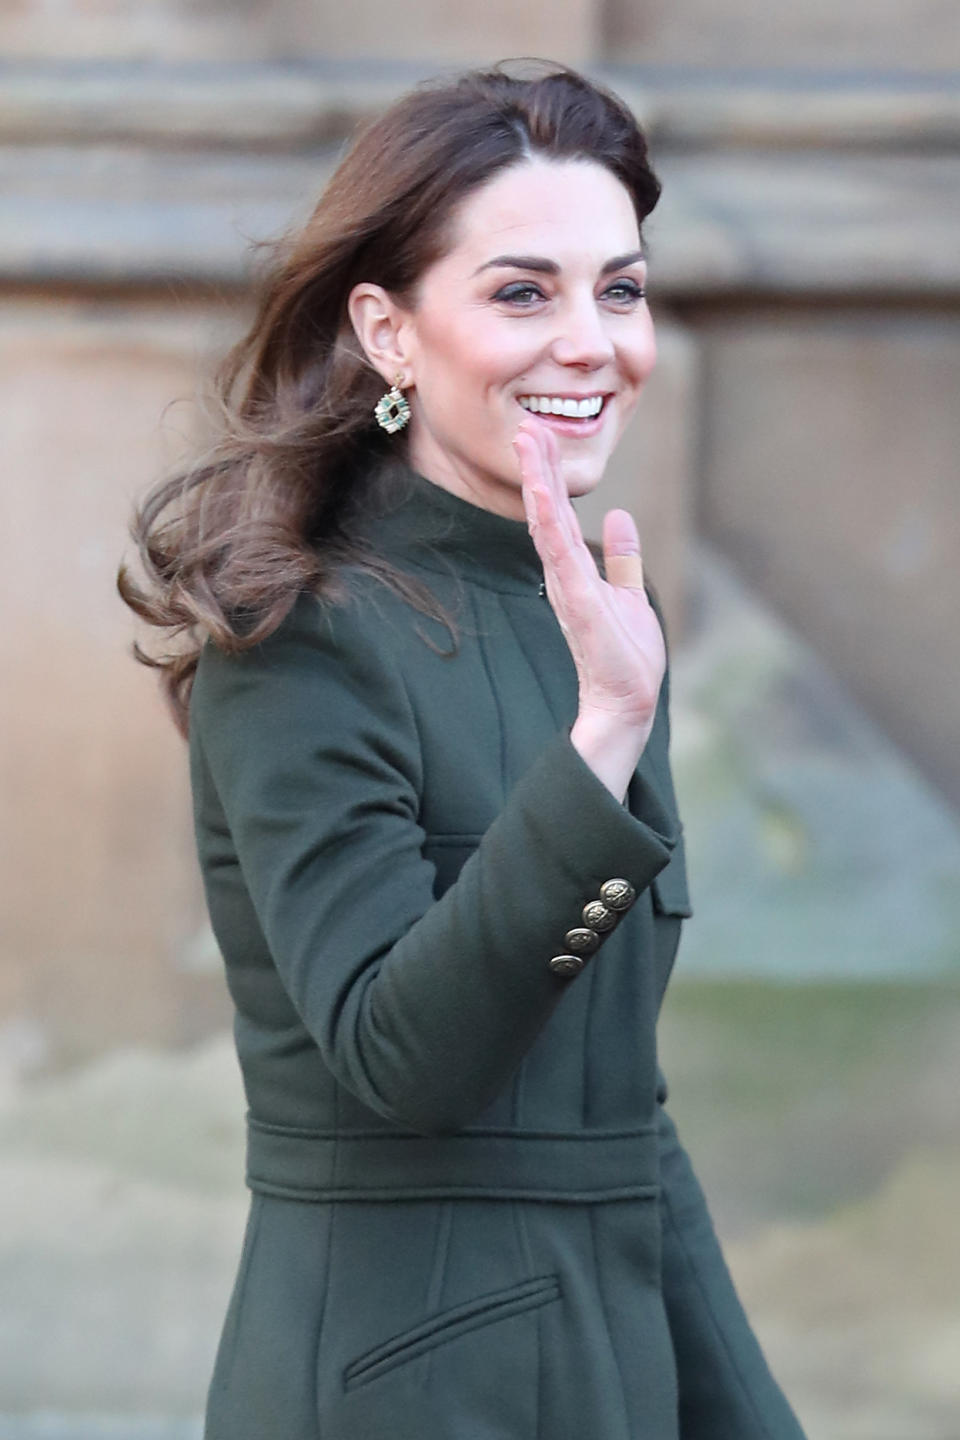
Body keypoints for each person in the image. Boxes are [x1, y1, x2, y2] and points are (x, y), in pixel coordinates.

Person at [119, 61, 808, 1440]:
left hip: (616, 1374)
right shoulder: (296, 636)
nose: (591, 340)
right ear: (388, 330)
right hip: (403, 1383)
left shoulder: (605, 619)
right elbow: (399, 1059)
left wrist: (745, 1413)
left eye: (620, 288)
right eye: (521, 291)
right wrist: (606, 733)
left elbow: (621, 1117)